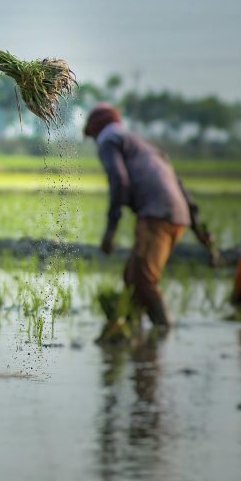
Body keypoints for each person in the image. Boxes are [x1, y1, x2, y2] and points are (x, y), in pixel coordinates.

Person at [83, 102, 214, 329]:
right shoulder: (145, 146)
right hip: (177, 216)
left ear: (95, 129)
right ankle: (131, 331)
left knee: (144, 281)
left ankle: (162, 331)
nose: (95, 142)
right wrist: (199, 230)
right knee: (131, 277)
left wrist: (110, 230)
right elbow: (179, 187)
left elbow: (119, 181)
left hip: (157, 215)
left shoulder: (108, 139)